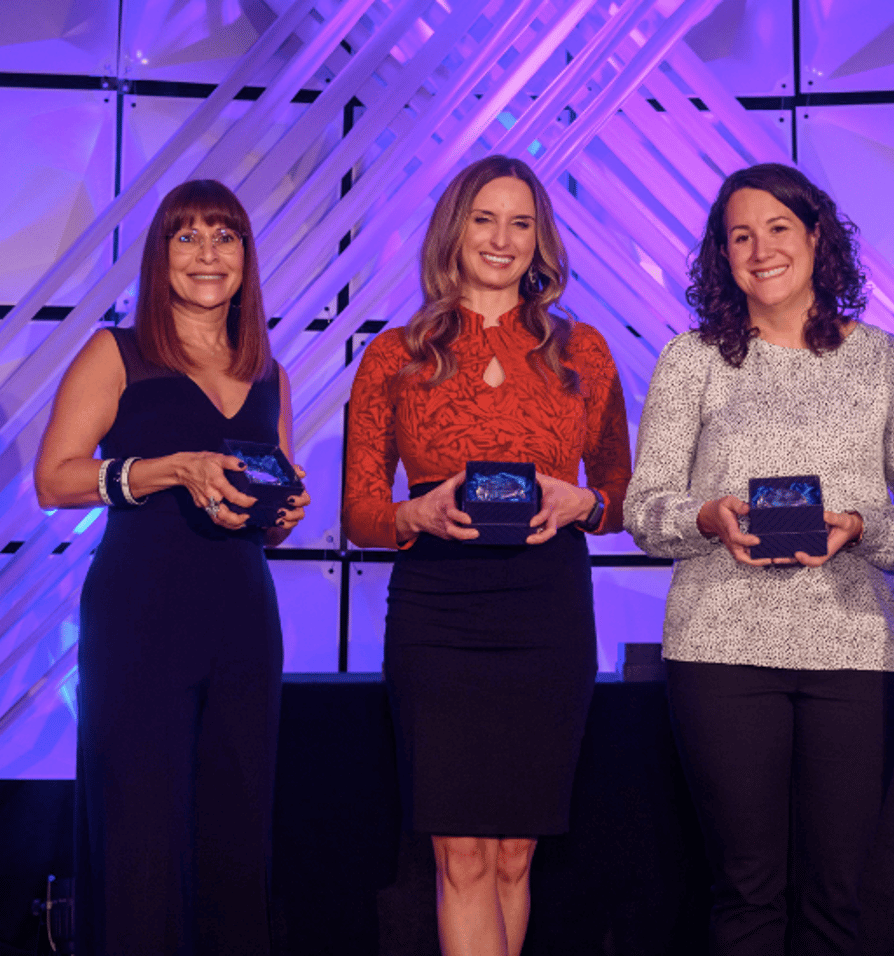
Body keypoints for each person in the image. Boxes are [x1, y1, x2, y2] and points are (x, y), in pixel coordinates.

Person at [624, 163, 894, 955]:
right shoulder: (690, 360)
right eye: (741, 235)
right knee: (746, 890)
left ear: (816, 238)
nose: (761, 249)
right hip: (719, 650)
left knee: (839, 900)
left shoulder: (893, 363)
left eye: (778, 229)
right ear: (721, 257)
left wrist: (858, 527)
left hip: (855, 651)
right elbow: (643, 510)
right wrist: (708, 517)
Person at [342, 154, 631, 956]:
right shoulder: (392, 355)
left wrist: (589, 503)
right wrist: (414, 511)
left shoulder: (588, 352)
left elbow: (621, 496)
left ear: (540, 241)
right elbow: (361, 513)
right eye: (484, 218)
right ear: (454, 230)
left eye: (521, 222)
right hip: (440, 610)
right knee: (460, 853)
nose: (502, 239)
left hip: (548, 606)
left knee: (515, 851)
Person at [35, 179, 309, 953]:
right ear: (158, 258)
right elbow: (54, 477)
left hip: (243, 617)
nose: (206, 253)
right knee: (139, 830)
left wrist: (284, 512)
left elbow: (270, 502)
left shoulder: (269, 373)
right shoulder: (117, 352)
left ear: (246, 258)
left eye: (223, 236)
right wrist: (170, 467)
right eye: (185, 237)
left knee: (237, 826)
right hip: (140, 614)